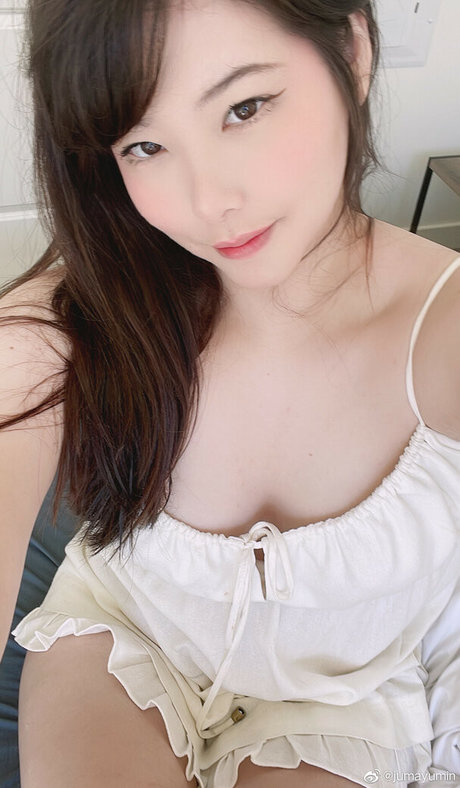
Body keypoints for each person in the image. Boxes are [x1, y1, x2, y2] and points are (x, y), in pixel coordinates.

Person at [0, 0, 459, 786]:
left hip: (343, 698)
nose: (208, 200)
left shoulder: (442, 330)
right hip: (121, 638)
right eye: (145, 145)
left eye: (244, 107)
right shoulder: (78, 316)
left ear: (352, 54)